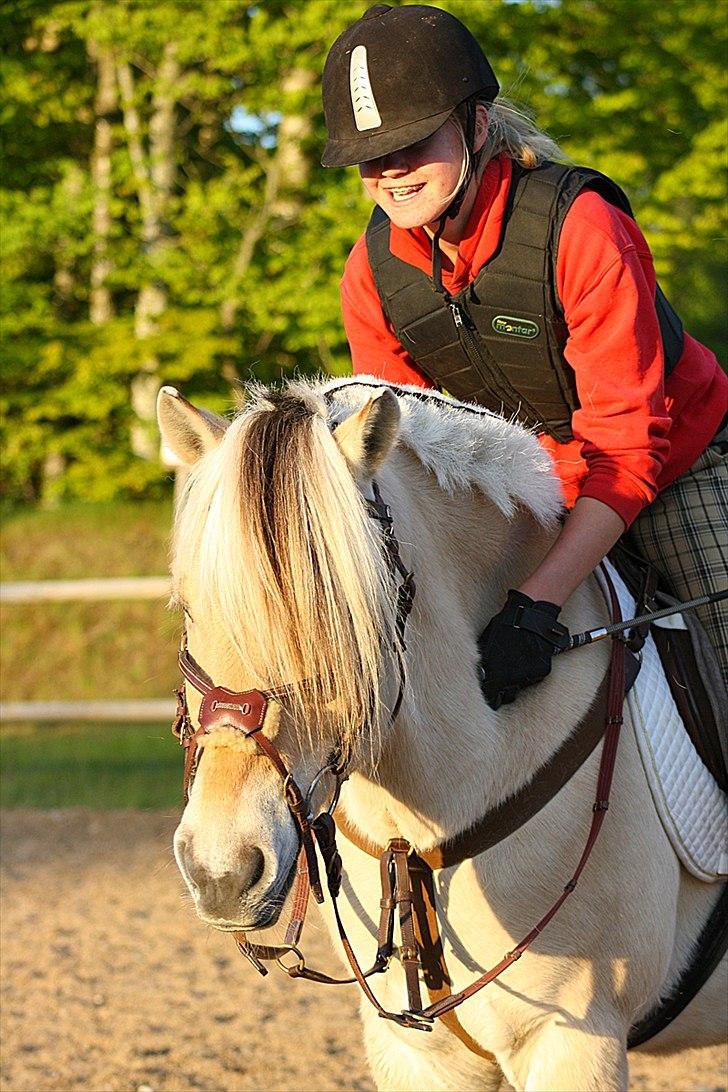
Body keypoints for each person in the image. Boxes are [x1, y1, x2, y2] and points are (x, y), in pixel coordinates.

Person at [321, 3, 728, 709]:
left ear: (477, 124)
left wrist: (538, 604)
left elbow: (628, 451)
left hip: (673, 475)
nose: (391, 172)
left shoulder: (584, 229)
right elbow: (409, 463)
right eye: (369, 159)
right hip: (525, 503)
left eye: (414, 142)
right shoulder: (371, 275)